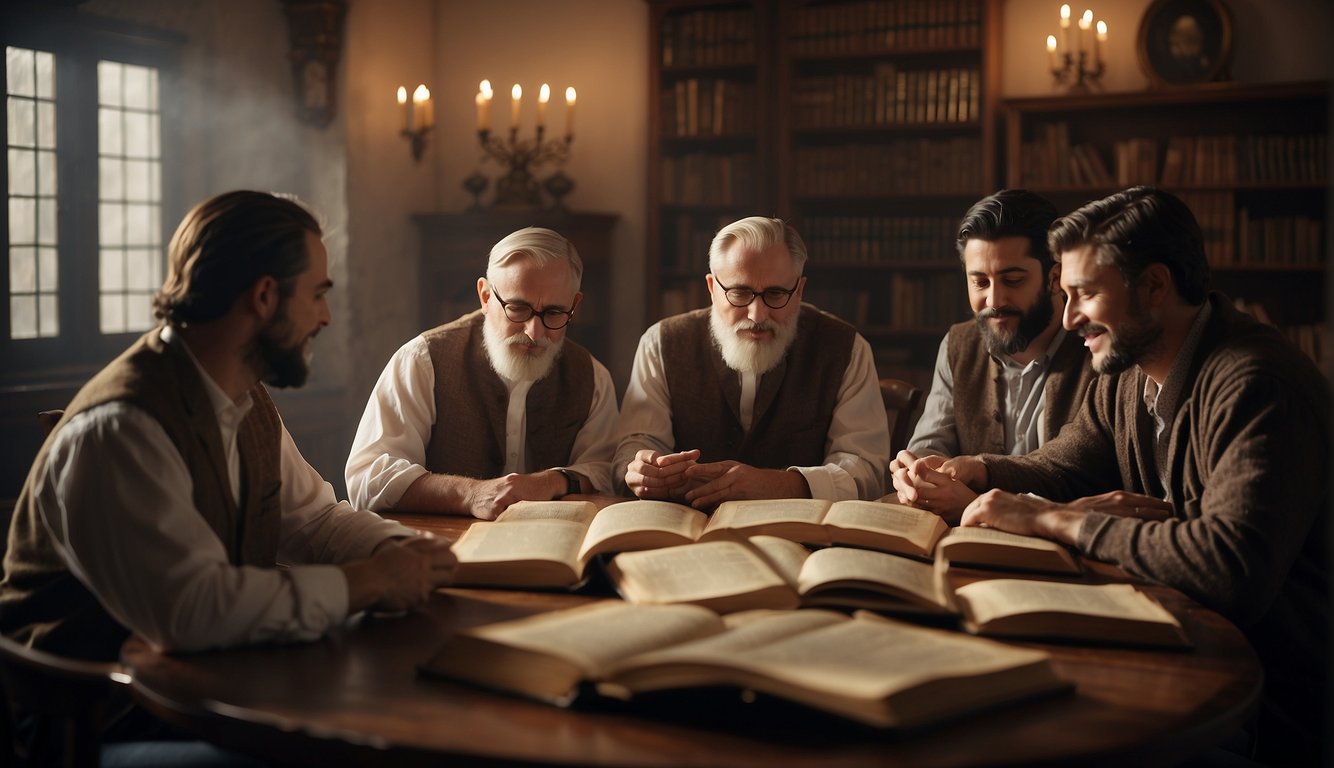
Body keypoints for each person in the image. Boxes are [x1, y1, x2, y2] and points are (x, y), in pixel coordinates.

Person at [0, 191, 456, 743]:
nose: (326, 316)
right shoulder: (122, 427)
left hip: (216, 693)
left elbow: (314, 521)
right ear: (265, 296)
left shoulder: (244, 396)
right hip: (102, 726)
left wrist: (397, 549)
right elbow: (189, 613)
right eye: (316, 294)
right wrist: (368, 582)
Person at [893, 186, 1328, 763]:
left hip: (1258, 708)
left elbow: (1229, 569)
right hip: (1169, 649)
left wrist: (1054, 520)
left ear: (1154, 285)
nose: (1069, 317)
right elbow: (1064, 463)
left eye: (1086, 294)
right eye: (1066, 293)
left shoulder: (1255, 383)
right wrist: (977, 468)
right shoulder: (1127, 370)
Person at [614, 216, 888, 508]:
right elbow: (636, 444)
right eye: (740, 293)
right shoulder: (660, 343)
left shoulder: (846, 348)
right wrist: (641, 466)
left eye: (775, 294)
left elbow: (866, 471)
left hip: (803, 533)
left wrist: (778, 485)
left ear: (799, 290)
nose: (757, 315)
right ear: (712, 287)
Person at [346, 227, 618, 521]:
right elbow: (367, 479)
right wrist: (470, 493)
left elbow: (605, 470)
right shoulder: (423, 360)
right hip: (440, 551)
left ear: (574, 305)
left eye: (553, 313)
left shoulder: (592, 377)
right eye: (518, 308)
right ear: (486, 296)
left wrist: (553, 481)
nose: (534, 332)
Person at [892, 189, 1094, 521]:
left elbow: (1088, 475)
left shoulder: (1095, 349)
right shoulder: (959, 344)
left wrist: (974, 500)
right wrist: (921, 472)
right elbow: (932, 445)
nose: (994, 300)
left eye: (1012, 280)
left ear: (1055, 277)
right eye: (980, 282)